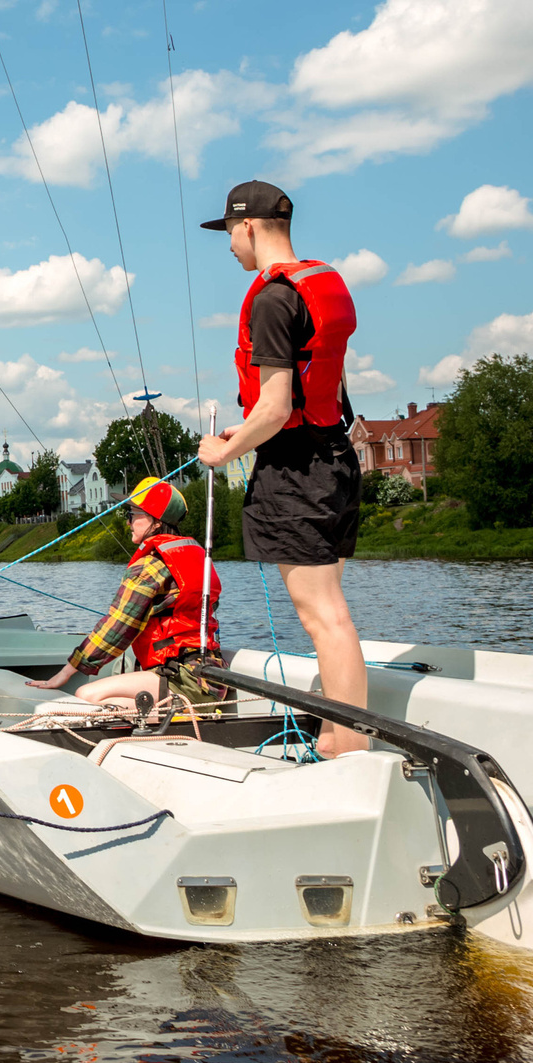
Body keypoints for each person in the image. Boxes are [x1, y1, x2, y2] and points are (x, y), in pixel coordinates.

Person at [196, 179, 370, 755]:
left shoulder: (273, 298)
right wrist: (247, 431)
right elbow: (323, 384)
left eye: (228, 232)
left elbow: (274, 406)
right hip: (335, 455)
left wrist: (226, 450)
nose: (228, 246)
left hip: (297, 468)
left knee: (323, 615)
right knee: (332, 606)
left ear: (248, 226)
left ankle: (347, 745)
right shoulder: (323, 283)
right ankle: (341, 733)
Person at [25, 478, 225, 711]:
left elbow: (117, 627)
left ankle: (179, 712)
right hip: (209, 676)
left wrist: (64, 673)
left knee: (86, 695)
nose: (128, 522)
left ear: (156, 521)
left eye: (133, 514)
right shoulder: (195, 557)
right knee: (108, 702)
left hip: (183, 679)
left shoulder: (150, 567)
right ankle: (174, 712)